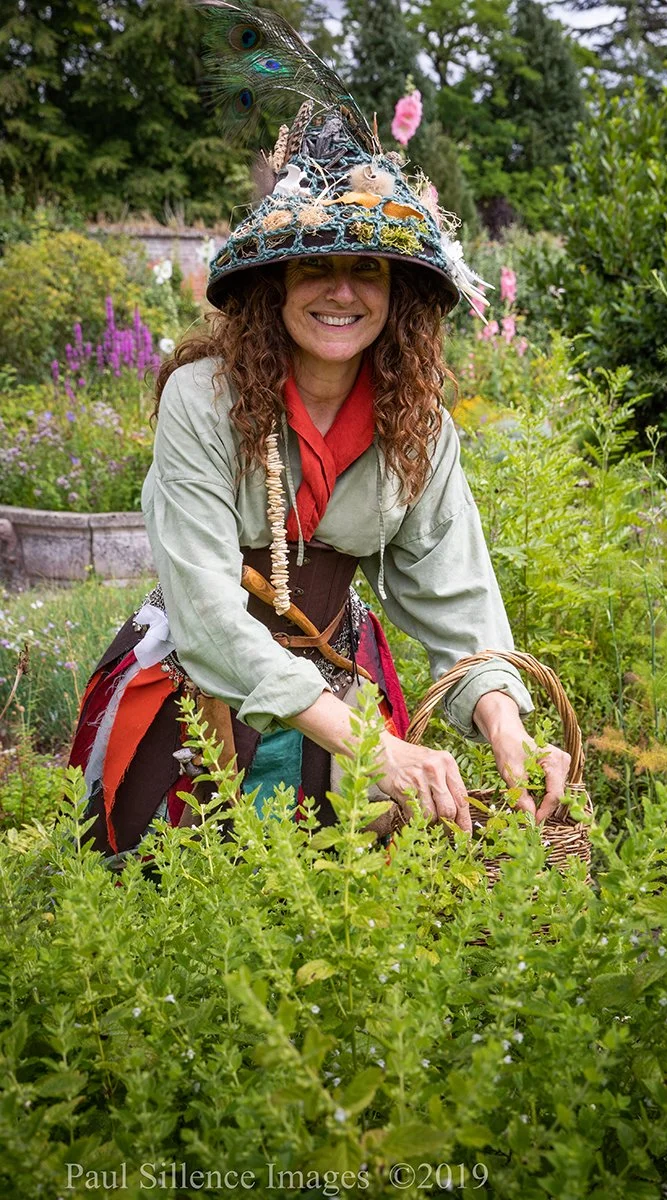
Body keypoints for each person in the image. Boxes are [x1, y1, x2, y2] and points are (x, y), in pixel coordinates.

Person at [69, 13, 570, 862]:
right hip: (198, 676)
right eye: (315, 265)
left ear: (397, 292)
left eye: (367, 268)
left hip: (340, 663)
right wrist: (372, 743)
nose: (341, 292)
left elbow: (459, 599)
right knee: (165, 875)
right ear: (274, 284)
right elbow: (207, 615)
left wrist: (504, 723)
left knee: (363, 873)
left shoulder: (420, 428)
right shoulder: (202, 400)